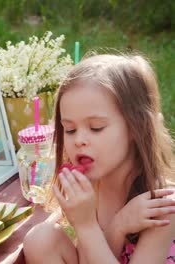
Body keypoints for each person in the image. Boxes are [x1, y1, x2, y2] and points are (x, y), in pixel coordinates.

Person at [23, 53, 175, 263]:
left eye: (96, 128)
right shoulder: (90, 188)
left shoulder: (161, 204)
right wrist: (117, 226)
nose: (79, 140)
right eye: (70, 129)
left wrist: (86, 226)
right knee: (41, 239)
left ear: (136, 127)